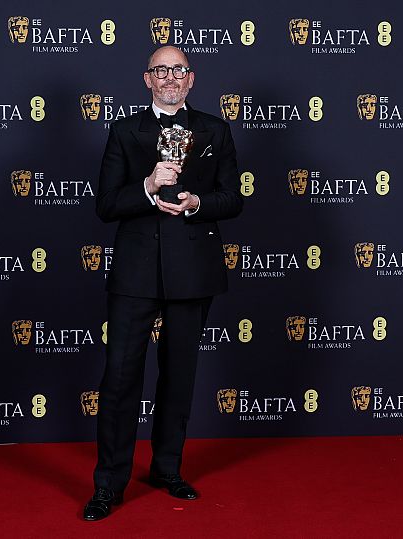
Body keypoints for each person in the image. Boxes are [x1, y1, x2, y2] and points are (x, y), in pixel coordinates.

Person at [83, 45, 243, 521]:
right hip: (136, 271)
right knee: (120, 377)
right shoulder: (124, 130)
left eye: (179, 70)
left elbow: (232, 199)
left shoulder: (215, 129)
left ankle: (166, 469)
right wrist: (149, 186)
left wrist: (197, 202)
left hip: (193, 269)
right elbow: (106, 204)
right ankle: (109, 484)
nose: (170, 78)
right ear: (146, 79)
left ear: (190, 79)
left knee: (179, 376)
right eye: (161, 71)